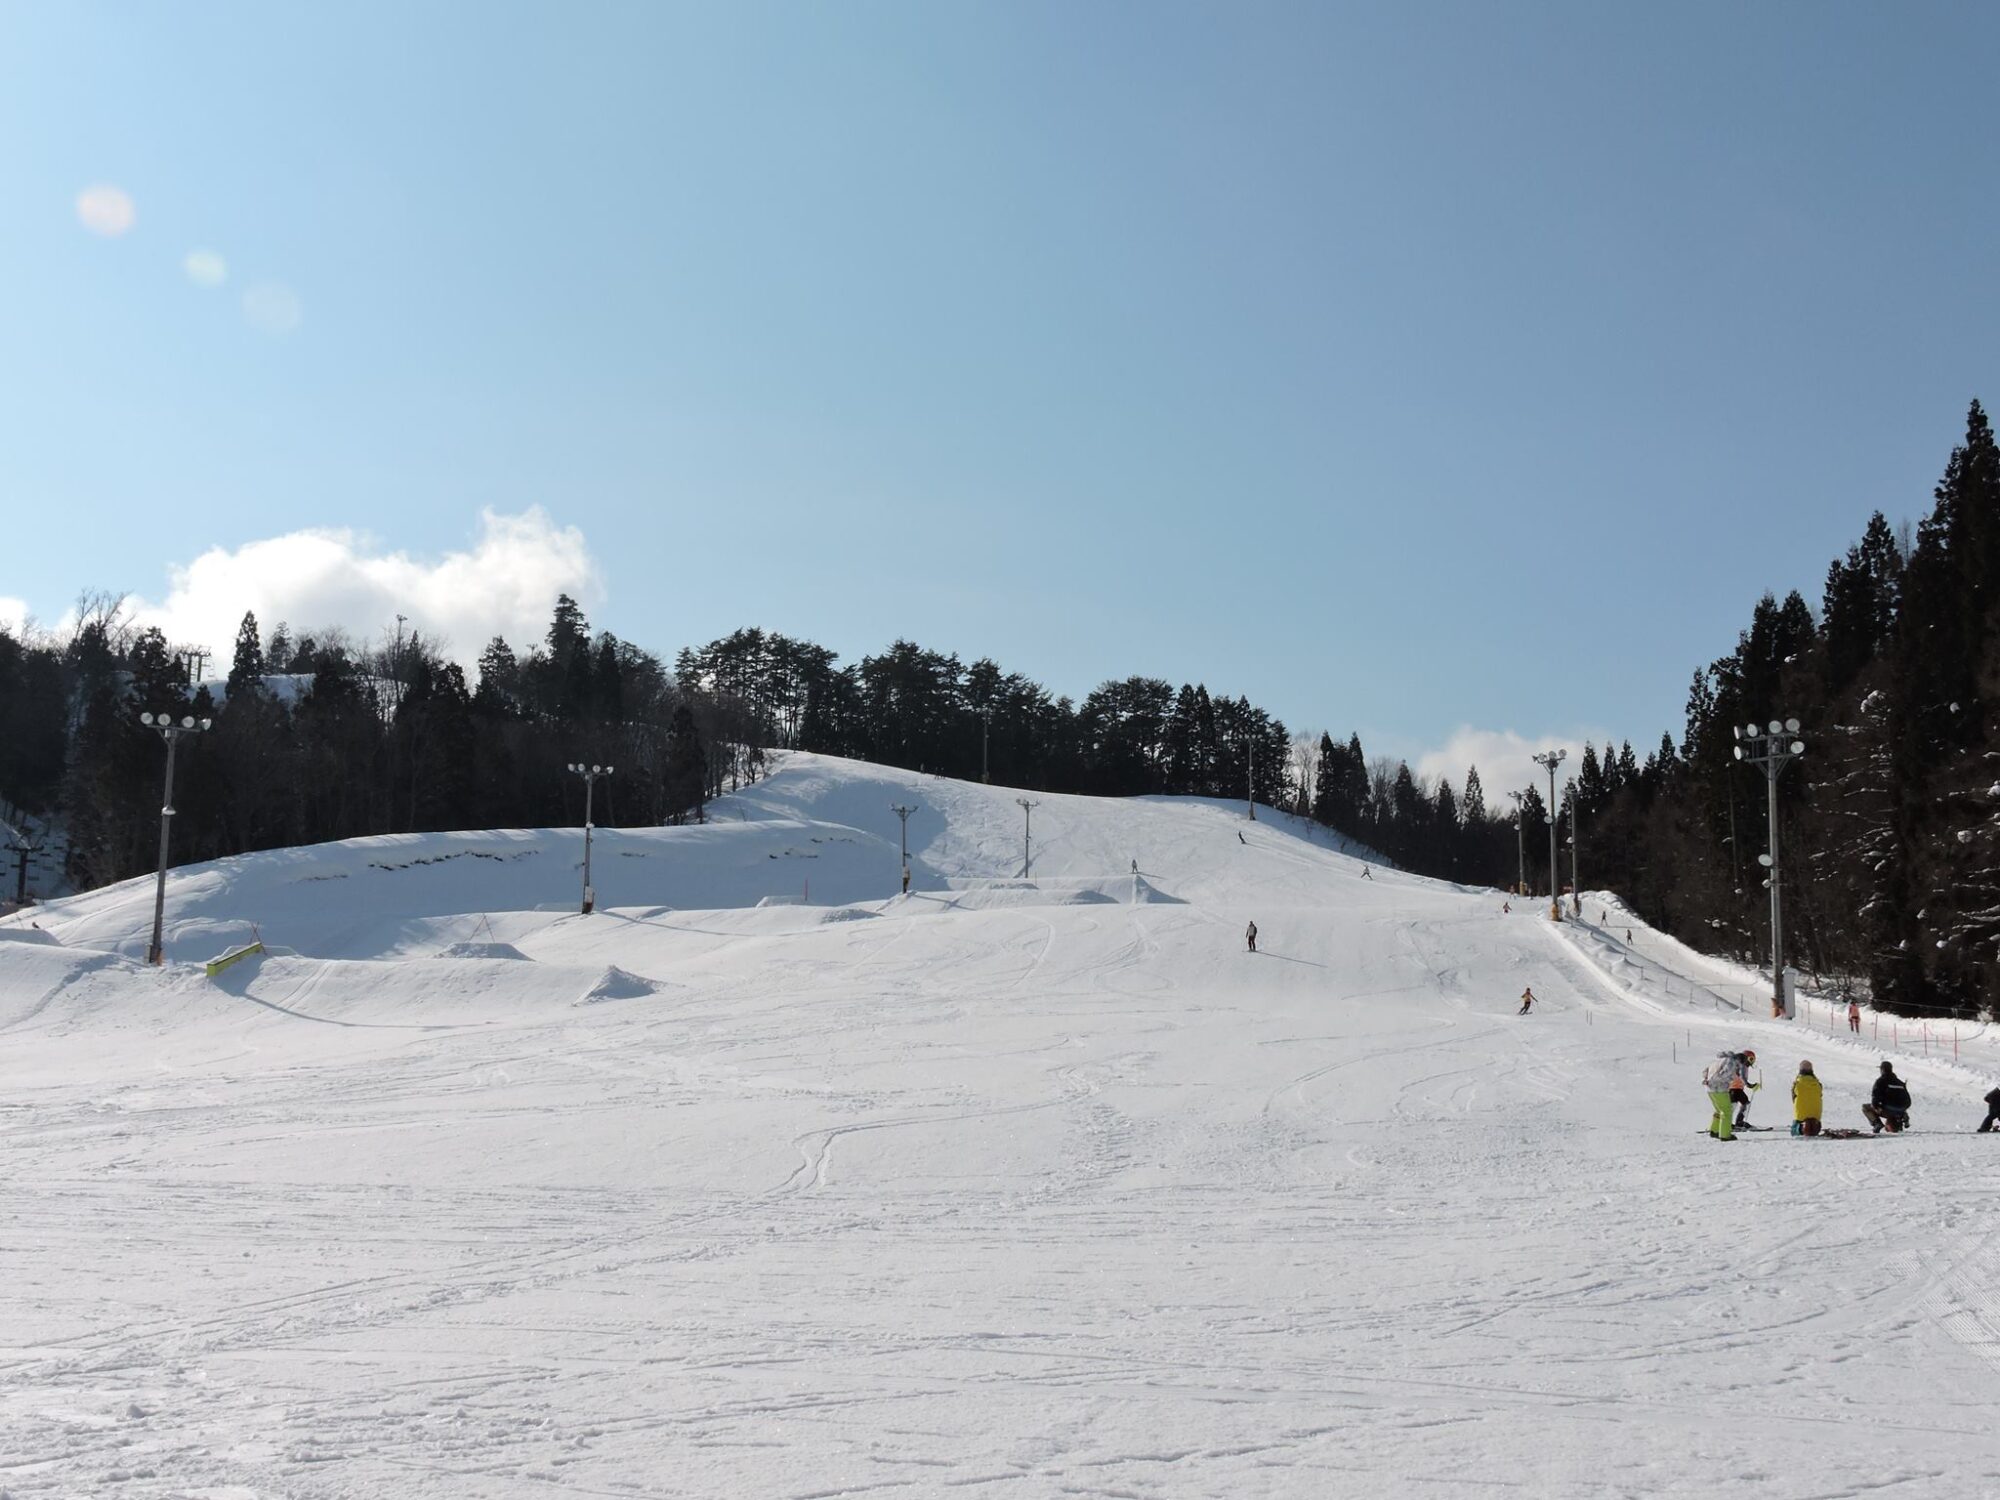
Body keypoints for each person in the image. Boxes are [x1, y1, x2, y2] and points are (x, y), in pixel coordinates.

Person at [1703, 1049, 1756, 1141]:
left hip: (1710, 1089)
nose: (1740, 1066)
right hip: (1719, 1089)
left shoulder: (1719, 1060)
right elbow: (1723, 1074)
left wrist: (1706, 1080)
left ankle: (1714, 1131)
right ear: (1739, 1060)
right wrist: (1729, 1079)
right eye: (1741, 1063)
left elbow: (1705, 1071)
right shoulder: (1731, 1063)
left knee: (1719, 1110)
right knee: (1727, 1111)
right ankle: (1725, 1135)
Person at [1862, 1060, 1912, 1134]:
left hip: (1887, 1109)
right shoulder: (1900, 1082)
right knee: (1896, 1110)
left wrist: (1876, 1107)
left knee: (1865, 1107)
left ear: (1882, 1070)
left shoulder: (1880, 1081)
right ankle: (1904, 1118)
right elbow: (1908, 1100)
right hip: (1900, 1111)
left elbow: (1875, 1096)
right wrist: (1903, 1109)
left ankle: (1877, 1123)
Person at [1791, 1060, 1822, 1137]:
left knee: (1793, 1131)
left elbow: (1793, 1098)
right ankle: (1814, 1126)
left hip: (1800, 1116)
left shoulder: (1797, 1083)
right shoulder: (1818, 1084)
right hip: (1816, 1116)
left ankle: (1802, 1128)